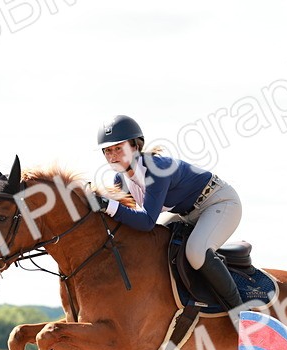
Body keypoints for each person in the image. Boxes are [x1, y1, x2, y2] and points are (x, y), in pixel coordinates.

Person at [94, 114, 243, 310]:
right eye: (108, 151)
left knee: (195, 252)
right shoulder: (120, 181)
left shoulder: (156, 169)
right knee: (153, 246)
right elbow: (127, 221)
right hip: (188, 213)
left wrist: (108, 205)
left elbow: (146, 221)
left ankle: (242, 314)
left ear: (135, 146)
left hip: (219, 203)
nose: (113, 156)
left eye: (118, 149)